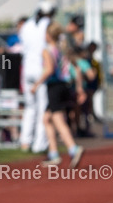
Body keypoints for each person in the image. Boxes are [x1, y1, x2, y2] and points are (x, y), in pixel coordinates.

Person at [30, 22, 84, 168]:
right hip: (63, 86)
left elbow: (49, 69)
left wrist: (36, 84)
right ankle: (53, 154)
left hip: (55, 86)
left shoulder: (48, 50)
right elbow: (74, 68)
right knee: (46, 119)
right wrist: (79, 88)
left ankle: (73, 148)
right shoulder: (61, 49)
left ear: (47, 35)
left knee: (58, 119)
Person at [18, 1, 53, 153]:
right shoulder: (48, 25)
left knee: (30, 107)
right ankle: (40, 143)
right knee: (42, 108)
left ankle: (25, 141)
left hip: (27, 69)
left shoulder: (27, 26)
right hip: (41, 69)